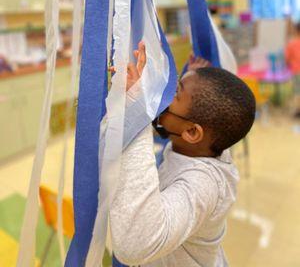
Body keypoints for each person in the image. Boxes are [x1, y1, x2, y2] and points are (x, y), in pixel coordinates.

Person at [109, 42, 256, 267]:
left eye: (175, 92)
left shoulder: (204, 184)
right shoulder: (202, 144)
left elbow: (135, 244)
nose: (165, 94)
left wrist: (135, 110)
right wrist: (191, 74)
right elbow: (177, 116)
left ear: (191, 132)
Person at [285, 22, 300, 117]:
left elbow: (287, 59)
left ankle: (298, 111)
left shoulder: (292, 43)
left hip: (297, 71)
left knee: (297, 92)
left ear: (296, 30)